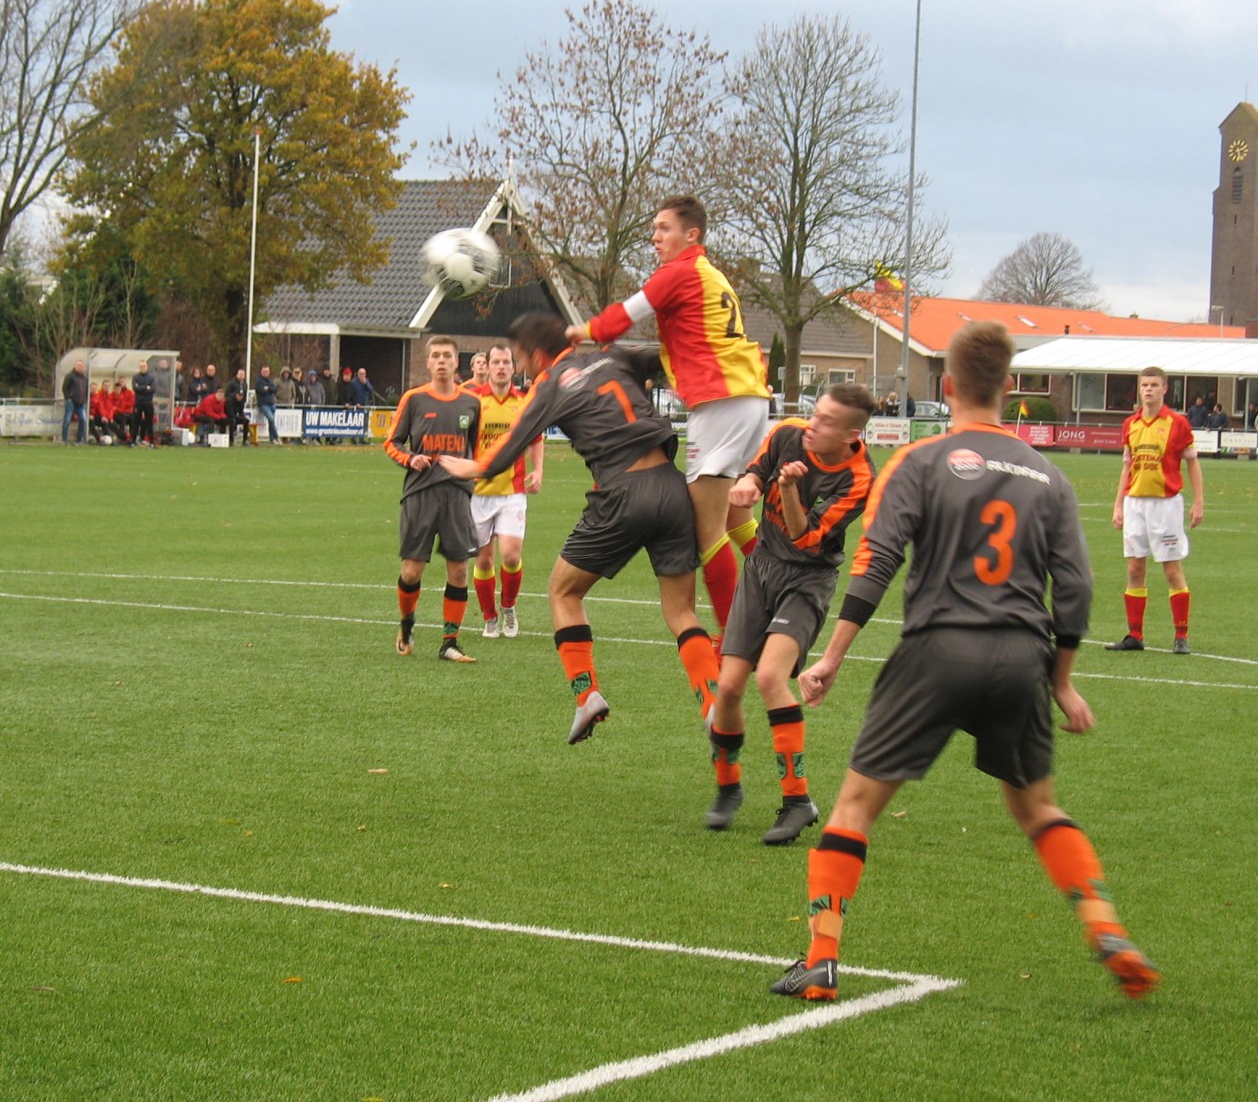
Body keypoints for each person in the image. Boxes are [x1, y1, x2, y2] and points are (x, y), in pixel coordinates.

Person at [771, 318, 1159, 1004]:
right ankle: (1105, 925)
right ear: (1007, 391)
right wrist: (1062, 682)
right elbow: (1076, 587)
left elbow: (877, 560)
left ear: (946, 386)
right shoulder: (1048, 475)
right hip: (1020, 657)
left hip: (936, 650)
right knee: (1037, 807)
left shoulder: (918, 462)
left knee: (856, 805)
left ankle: (821, 960)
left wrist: (831, 656)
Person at [441, 312, 721, 742]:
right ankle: (712, 700)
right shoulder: (613, 356)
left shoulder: (548, 384)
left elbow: (509, 446)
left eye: (519, 358)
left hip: (623, 492)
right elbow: (671, 356)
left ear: (535, 355)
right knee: (681, 612)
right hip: (671, 485)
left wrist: (474, 466)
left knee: (562, 591)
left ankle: (586, 694)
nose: (520, 367)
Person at [565, 194, 769, 646]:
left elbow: (624, 315)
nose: (654, 237)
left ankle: (736, 637)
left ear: (690, 234)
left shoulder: (679, 272)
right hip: (750, 397)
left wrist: (582, 332)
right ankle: (777, 582)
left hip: (720, 402)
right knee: (735, 513)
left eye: (663, 229)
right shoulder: (712, 275)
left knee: (706, 527)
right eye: (654, 229)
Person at [705, 382, 877, 844]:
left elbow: (805, 537)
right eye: (814, 413)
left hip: (807, 579)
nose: (812, 424)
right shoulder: (788, 434)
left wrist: (790, 488)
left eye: (824, 421)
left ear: (849, 435)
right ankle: (727, 787)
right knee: (729, 686)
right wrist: (747, 485)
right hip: (761, 568)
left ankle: (797, 800)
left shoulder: (858, 478)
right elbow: (755, 472)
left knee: (769, 679)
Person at [383, 335, 483, 664]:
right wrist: (410, 459)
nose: (441, 361)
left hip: (456, 496)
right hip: (420, 495)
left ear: (457, 363)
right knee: (411, 572)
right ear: (427, 363)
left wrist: (475, 472)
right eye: (435, 356)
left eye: (447, 356)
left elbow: (475, 450)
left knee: (459, 572)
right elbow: (391, 442)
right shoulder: (414, 399)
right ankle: (407, 624)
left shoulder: (471, 403)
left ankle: (449, 642)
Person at [1106, 366, 1204, 655]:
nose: (1148, 389)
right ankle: (1134, 635)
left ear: (1164, 389)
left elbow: (1192, 463)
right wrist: (1118, 504)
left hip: (1166, 505)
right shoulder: (1130, 424)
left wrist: (1199, 502)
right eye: (1144, 385)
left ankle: (1181, 635)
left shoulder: (1178, 423)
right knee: (1135, 568)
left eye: (1153, 385)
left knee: (1172, 571)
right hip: (1135, 503)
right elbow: (1127, 466)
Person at [468, 343, 545, 640]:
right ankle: (489, 618)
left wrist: (538, 470)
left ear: (514, 368)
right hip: (477, 491)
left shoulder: (524, 403)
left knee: (511, 557)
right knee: (484, 560)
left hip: (513, 490)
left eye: (506, 362)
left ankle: (508, 607)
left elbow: (536, 439)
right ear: (487, 367)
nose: (501, 367)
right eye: (496, 362)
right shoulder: (472, 400)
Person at [62, 359, 90, 445]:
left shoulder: (85, 378)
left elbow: (86, 390)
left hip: (81, 403)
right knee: (67, 420)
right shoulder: (70, 376)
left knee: (83, 420)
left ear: (83, 367)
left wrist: (85, 400)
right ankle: (64, 439)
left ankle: (79, 440)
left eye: (81, 365)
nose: (80, 367)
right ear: (75, 366)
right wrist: (68, 398)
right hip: (71, 402)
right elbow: (64, 388)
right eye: (78, 365)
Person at [130, 359, 156, 446]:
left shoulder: (151, 377)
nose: (142, 368)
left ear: (147, 367)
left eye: (144, 366)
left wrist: (141, 388)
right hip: (138, 402)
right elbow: (135, 388)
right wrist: (146, 388)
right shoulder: (135, 377)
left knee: (149, 422)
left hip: (148, 402)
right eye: (141, 366)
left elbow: (153, 389)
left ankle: (151, 441)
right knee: (136, 422)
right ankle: (133, 441)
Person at [255, 365, 279, 444]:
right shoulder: (258, 381)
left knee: (271, 421)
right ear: (261, 372)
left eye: (267, 371)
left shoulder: (269, 381)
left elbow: (275, 390)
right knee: (271, 419)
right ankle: (276, 437)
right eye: (264, 371)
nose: (265, 373)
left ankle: (272, 439)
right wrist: (269, 390)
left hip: (271, 404)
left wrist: (268, 388)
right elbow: (260, 391)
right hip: (263, 404)